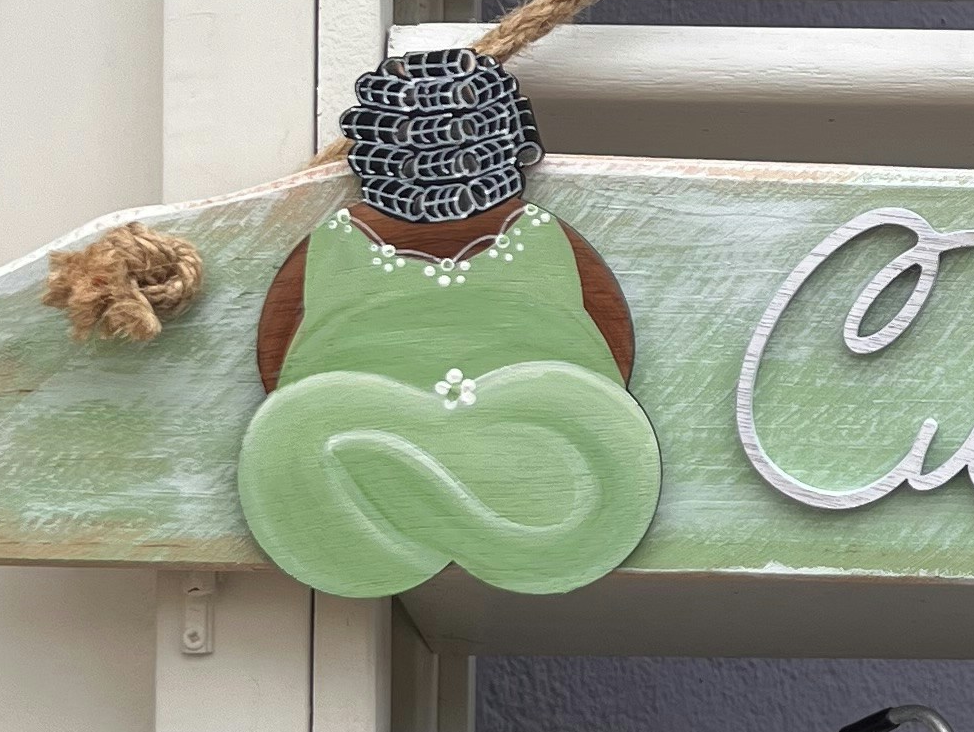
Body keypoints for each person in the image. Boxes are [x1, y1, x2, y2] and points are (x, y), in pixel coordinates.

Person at [235, 47, 662, 601]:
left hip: (530, 458)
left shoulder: (539, 237)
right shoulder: (337, 244)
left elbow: (279, 353)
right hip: (363, 462)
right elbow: (612, 341)